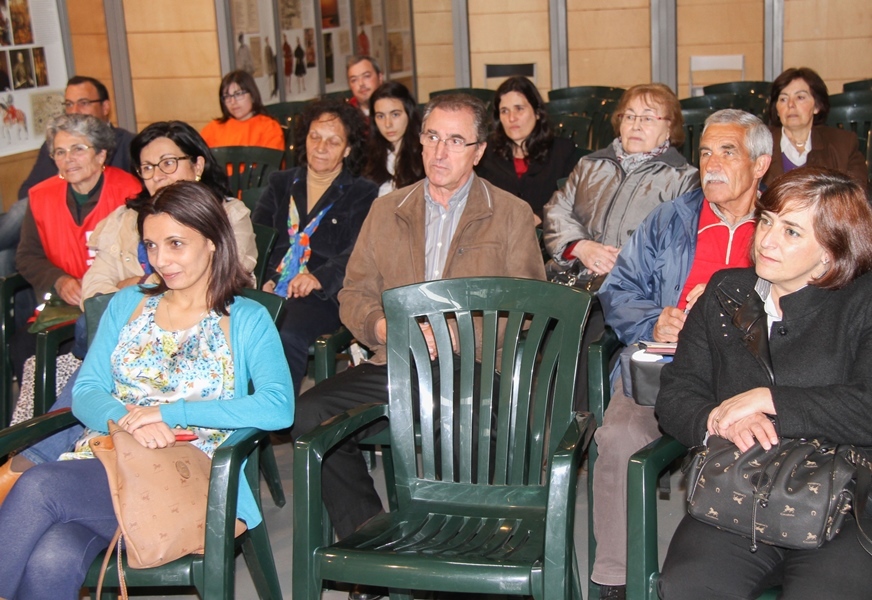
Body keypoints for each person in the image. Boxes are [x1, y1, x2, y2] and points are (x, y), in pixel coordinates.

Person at [290, 93, 546, 600]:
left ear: (478, 150)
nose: (440, 152)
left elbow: (530, 309)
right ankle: (376, 553)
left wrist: (461, 332)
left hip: (474, 368)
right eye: (431, 137)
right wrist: (381, 328)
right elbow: (354, 293)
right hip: (396, 362)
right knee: (308, 412)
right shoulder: (388, 210)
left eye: (456, 141)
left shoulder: (510, 213)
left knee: (451, 426)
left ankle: (452, 568)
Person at [0, 181, 294, 599]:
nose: (162, 260)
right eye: (152, 246)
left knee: (40, 486)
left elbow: (278, 408)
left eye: (176, 244)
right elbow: (87, 389)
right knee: (54, 555)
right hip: (110, 461)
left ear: (212, 241)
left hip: (192, 475)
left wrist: (169, 415)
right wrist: (127, 421)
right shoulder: (129, 303)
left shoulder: (246, 318)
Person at [656, 167, 872, 600]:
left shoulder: (862, 303)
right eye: (767, 221)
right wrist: (716, 420)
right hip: (738, 487)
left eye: (791, 232)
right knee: (689, 587)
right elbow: (676, 394)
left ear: (830, 252)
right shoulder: (725, 292)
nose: (767, 240)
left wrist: (768, 399)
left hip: (846, 500)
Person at [591, 109, 773, 600]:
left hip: (755, 378)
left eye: (727, 152)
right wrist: (655, 319)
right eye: (706, 152)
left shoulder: (783, 226)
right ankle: (615, 579)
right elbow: (619, 287)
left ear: (760, 164)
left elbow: (812, 304)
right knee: (621, 432)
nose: (711, 164)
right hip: (670, 368)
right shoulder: (672, 220)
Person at [252, 99, 377, 395]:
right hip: (274, 285)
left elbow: (358, 253)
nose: (321, 147)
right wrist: (265, 278)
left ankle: (277, 410)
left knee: (286, 332)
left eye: (333, 142)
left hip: (325, 294)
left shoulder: (363, 192)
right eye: (315, 137)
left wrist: (317, 278)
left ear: (347, 149)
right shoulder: (281, 182)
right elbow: (259, 237)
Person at [84, 120, 257, 301]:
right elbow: (94, 287)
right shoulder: (125, 219)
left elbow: (220, 280)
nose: (158, 176)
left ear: (197, 165)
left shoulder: (229, 215)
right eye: (148, 168)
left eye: (168, 163)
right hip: (130, 321)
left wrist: (138, 283)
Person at [544, 83, 699, 278]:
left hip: (636, 285)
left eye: (648, 118)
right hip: (573, 276)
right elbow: (557, 210)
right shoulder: (590, 165)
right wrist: (581, 246)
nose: (636, 126)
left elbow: (680, 241)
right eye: (630, 116)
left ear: (669, 128)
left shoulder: (684, 178)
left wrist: (624, 260)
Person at [0, 76, 137, 276]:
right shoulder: (46, 188)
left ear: (101, 155)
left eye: (78, 150)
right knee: (7, 249)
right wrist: (59, 281)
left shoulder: (128, 175)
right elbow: (28, 194)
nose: (68, 159)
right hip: (58, 266)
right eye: (60, 152)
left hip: (115, 282)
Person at [475, 76, 577, 223]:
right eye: (504, 111)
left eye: (519, 109)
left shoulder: (562, 151)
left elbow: (573, 202)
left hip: (546, 237)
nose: (511, 118)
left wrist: (540, 217)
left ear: (536, 113)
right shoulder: (485, 153)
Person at [764, 67, 867, 190]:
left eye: (800, 97)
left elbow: (857, 195)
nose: (790, 105)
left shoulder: (844, 144)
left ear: (817, 106)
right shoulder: (759, 144)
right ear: (777, 109)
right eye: (783, 99)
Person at [362, 81, 424, 197]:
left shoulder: (425, 155)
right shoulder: (367, 158)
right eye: (380, 116)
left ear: (409, 113)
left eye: (395, 114)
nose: (387, 124)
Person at [200, 70, 285, 151]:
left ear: (252, 95)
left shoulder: (269, 127)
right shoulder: (213, 129)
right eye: (227, 97)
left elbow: (272, 163)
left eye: (238, 94)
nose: (233, 102)